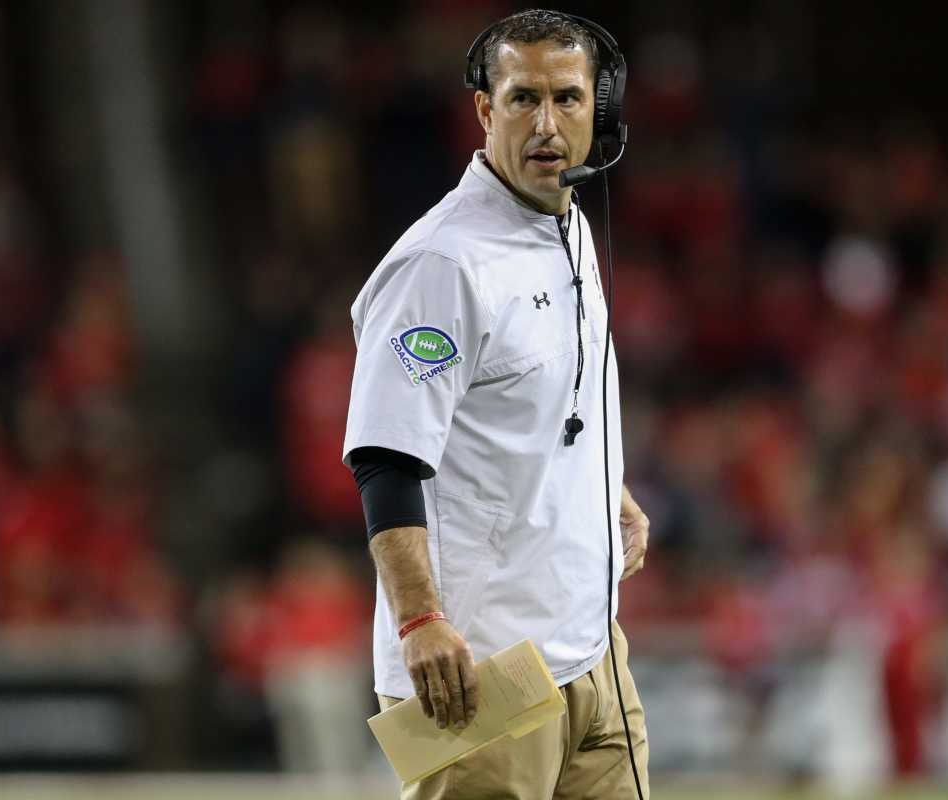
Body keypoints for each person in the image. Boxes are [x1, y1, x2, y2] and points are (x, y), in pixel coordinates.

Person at [342, 9, 650, 799]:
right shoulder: (441, 264)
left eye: (569, 99)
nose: (547, 124)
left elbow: (535, 400)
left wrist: (601, 487)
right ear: (485, 110)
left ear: (600, 110)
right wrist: (417, 623)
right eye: (522, 99)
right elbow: (386, 457)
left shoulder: (567, 222)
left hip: (593, 649)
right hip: (481, 672)